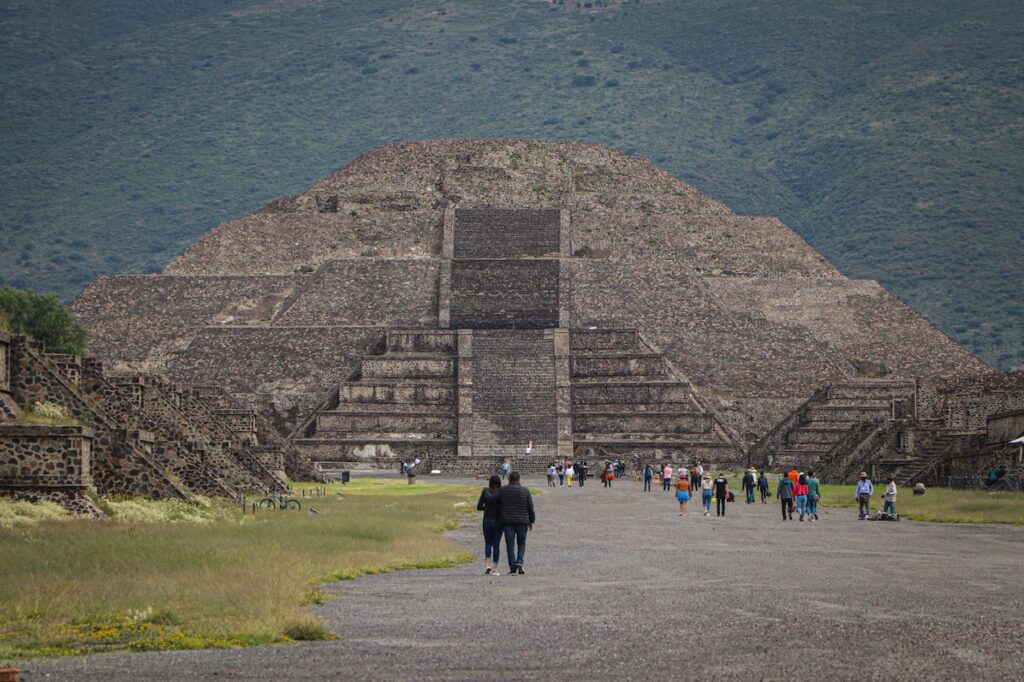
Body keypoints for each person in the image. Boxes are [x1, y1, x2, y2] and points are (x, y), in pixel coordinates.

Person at [498, 471, 535, 575]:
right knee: (521, 543)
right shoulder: (525, 491)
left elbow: (498, 504)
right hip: (522, 521)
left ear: (509, 479)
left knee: (510, 545)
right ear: (519, 479)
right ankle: (519, 561)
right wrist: (531, 520)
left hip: (508, 521)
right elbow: (530, 507)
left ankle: (512, 567)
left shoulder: (503, 490)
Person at [476, 475, 503, 575]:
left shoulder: (485, 491)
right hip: (498, 520)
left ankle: (488, 565)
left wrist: (486, 508)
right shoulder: (501, 492)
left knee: (488, 543)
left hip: (487, 519)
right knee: (496, 545)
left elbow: (479, 507)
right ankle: (495, 568)